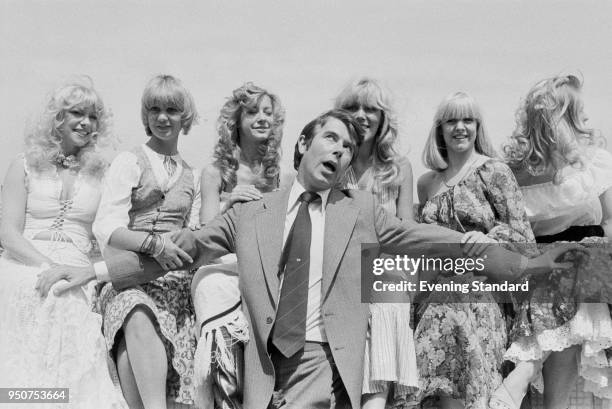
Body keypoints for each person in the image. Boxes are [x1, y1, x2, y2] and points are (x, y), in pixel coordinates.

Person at [52, 109, 574, 409]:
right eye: (331, 139)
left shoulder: (362, 209)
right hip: (263, 365)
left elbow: (420, 236)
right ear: (304, 144)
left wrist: (492, 253)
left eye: (349, 147)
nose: (341, 151)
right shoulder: (250, 215)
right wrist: (97, 271)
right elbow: (181, 251)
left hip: (326, 361)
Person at [0, 78, 127, 408]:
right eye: (77, 113)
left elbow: (112, 234)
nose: (86, 123)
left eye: (93, 116)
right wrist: (47, 266)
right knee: (37, 290)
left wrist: (84, 272)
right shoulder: (23, 164)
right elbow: (8, 233)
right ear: (58, 117)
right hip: (23, 260)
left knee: (65, 294)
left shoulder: (105, 174)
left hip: (77, 266)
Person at [491, 74, 612, 409]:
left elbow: (609, 222)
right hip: (537, 266)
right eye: (576, 112)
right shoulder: (514, 173)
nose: (584, 118)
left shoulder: (595, 163)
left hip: (592, 266)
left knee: (583, 268)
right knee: (564, 278)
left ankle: (527, 372)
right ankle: (530, 377)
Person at [413, 92, 536, 409]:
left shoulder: (494, 171)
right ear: (439, 129)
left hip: (483, 286)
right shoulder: (427, 183)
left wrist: (491, 237)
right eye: (451, 120)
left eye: (468, 119)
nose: (460, 127)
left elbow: (525, 236)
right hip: (434, 287)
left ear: (478, 126)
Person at [92, 74, 200, 409]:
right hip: (129, 276)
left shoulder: (193, 174)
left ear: (185, 117)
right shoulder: (129, 161)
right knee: (134, 310)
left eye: (171, 109)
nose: (162, 117)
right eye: (154, 109)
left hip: (174, 283)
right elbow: (106, 226)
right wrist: (154, 244)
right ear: (145, 115)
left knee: (141, 336)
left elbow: (193, 231)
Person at [191, 82, 285, 408]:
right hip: (221, 263)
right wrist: (231, 202)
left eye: (268, 113)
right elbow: (205, 230)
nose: (261, 118)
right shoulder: (215, 172)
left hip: (259, 265)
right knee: (216, 289)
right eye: (252, 111)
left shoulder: (276, 175)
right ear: (237, 120)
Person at [334, 77, 417, 408]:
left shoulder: (398, 169)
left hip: (386, 265)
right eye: (353, 107)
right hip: (338, 266)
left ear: (383, 117)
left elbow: (407, 231)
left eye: (371, 108)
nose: (361, 115)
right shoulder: (332, 164)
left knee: (385, 300)